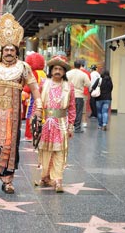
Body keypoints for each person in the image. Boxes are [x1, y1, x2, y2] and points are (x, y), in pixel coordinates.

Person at [0, 13, 42, 194]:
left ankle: (7, 180)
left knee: (10, 147)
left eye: (12, 50)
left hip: (12, 115)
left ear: (17, 51)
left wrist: (39, 108)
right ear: (1, 52)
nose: (9, 53)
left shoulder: (24, 68)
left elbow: (35, 90)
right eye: (6, 50)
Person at [35, 54, 76, 193]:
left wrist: (71, 125)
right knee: (45, 150)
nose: (57, 71)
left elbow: (72, 107)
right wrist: (36, 117)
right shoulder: (43, 83)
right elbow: (38, 102)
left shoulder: (68, 86)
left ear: (64, 72)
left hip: (62, 123)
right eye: (55, 68)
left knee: (59, 151)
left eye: (60, 69)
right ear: (51, 70)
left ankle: (58, 180)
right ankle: (45, 177)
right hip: (46, 122)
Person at [23, 51, 46, 141]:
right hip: (42, 97)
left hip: (34, 98)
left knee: (30, 115)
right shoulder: (43, 73)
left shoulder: (33, 73)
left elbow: (30, 87)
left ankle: (30, 134)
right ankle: (38, 133)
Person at [67, 60, 91, 133]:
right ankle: (77, 128)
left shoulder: (68, 73)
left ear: (74, 65)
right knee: (79, 112)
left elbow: (64, 82)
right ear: (81, 65)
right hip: (79, 95)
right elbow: (88, 84)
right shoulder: (83, 74)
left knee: (69, 111)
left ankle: (69, 126)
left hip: (70, 95)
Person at [80, 59, 91, 127]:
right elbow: (89, 83)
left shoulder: (75, 72)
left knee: (75, 108)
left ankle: (75, 123)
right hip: (85, 93)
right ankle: (84, 122)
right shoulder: (87, 73)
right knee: (83, 109)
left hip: (76, 93)